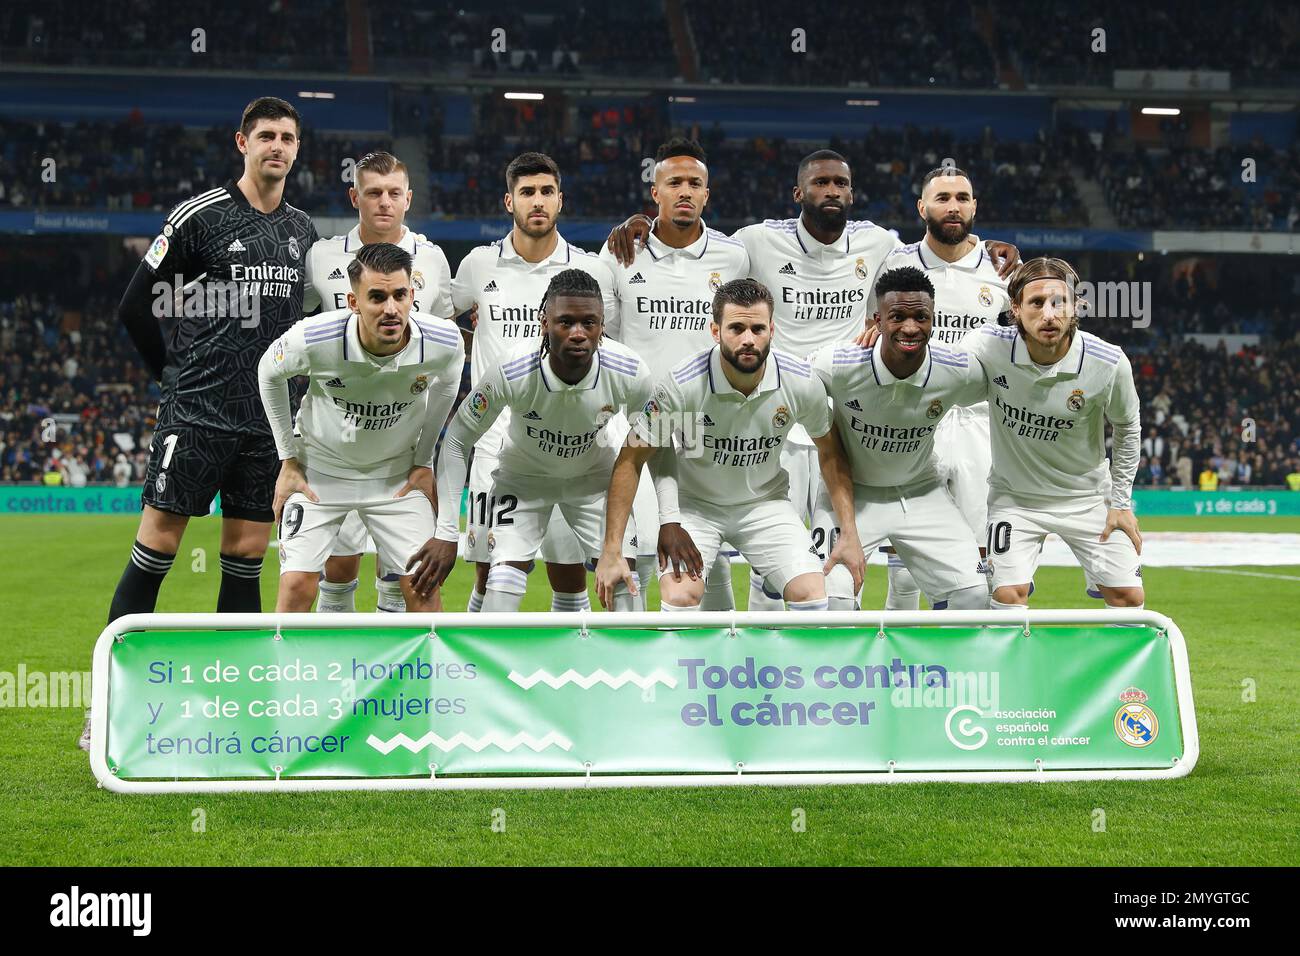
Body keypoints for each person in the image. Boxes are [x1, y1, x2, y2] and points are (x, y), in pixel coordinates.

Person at [607, 149, 1019, 611]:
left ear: (851, 193)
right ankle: (739, 653)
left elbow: (941, 248)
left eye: (839, 184)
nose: (831, 191)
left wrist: (986, 249)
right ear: (798, 193)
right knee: (736, 563)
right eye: (820, 183)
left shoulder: (879, 243)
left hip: (834, 419)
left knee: (809, 568)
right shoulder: (756, 242)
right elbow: (691, 238)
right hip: (765, 414)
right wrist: (643, 224)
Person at [90, 96, 318, 750]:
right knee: (157, 548)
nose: (277, 146)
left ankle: (236, 714)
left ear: (297, 148)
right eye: (266, 136)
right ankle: (107, 710)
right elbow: (136, 307)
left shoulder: (303, 231)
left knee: (245, 562)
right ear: (241, 142)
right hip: (195, 417)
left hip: (265, 428)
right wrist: (175, 378)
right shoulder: (201, 217)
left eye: (288, 137)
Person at [594, 278, 864, 613]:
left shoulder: (801, 381)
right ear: (715, 330)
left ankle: (782, 667)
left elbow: (831, 451)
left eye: (758, 329)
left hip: (765, 505)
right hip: (696, 508)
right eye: (736, 328)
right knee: (680, 597)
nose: (748, 340)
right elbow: (630, 458)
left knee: (812, 595)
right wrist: (616, 547)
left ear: (772, 330)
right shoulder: (682, 384)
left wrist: (849, 532)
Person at [408, 270, 651, 612]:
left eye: (589, 323)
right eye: (565, 322)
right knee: (502, 582)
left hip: (594, 482)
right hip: (522, 481)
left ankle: (630, 666)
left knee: (625, 581)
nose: (578, 334)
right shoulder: (513, 369)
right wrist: (448, 531)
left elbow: (654, 439)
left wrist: (668, 518)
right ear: (544, 324)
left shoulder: (630, 370)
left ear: (602, 326)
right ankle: (486, 666)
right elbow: (456, 441)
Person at [449, 153, 618, 614]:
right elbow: (440, 325)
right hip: (495, 441)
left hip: (569, 440)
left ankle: (571, 672)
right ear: (510, 201)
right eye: (527, 192)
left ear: (560, 200)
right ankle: (478, 672)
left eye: (546, 192)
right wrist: (474, 341)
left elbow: (609, 342)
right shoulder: (479, 266)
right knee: (488, 571)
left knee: (568, 571)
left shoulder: (588, 271)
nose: (537, 201)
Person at [258, 242, 462, 613]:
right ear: (354, 303)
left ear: (412, 295)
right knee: (296, 589)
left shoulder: (444, 342)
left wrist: (423, 460)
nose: (391, 308)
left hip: (395, 477)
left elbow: (448, 384)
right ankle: (292, 671)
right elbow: (267, 372)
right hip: (321, 473)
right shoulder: (314, 338)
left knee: (423, 591)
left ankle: (426, 672)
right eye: (377, 297)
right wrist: (287, 459)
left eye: (400, 295)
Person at [597, 137, 749, 611]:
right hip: (641, 421)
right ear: (655, 192)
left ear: (708, 193)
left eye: (695, 183)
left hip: (706, 425)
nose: (685, 191)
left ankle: (717, 645)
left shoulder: (733, 257)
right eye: (674, 182)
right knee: (643, 545)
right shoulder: (621, 253)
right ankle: (635, 655)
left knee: (707, 548)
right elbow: (607, 340)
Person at [302, 150, 456, 613]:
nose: (384, 202)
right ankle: (337, 670)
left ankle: (393, 677)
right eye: (373, 192)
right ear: (355, 197)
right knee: (339, 568)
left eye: (393, 193)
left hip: (403, 440)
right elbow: (298, 329)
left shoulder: (433, 259)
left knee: (401, 572)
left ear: (408, 198)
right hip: (336, 440)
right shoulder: (321, 256)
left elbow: (445, 346)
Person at [855, 166, 1013, 610]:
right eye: (942, 198)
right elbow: (871, 330)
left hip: (978, 422)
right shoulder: (895, 262)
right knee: (905, 552)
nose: (953, 206)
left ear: (975, 206)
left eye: (963, 197)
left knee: (974, 559)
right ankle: (896, 653)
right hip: (910, 415)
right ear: (922, 207)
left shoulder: (1002, 269)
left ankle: (962, 651)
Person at [962, 258, 1144, 610]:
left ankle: (1106, 667)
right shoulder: (987, 346)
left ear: (1076, 306)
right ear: (1015, 308)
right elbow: (934, 366)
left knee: (1129, 597)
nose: (1049, 314)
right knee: (1006, 596)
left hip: (1088, 498)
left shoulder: (1108, 362)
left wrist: (1121, 502)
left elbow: (1127, 427)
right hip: (1015, 499)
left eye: (1060, 302)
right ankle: (1014, 665)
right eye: (1036, 303)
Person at [809, 267, 989, 610]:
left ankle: (933, 666)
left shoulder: (957, 369)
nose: (910, 327)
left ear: (934, 319)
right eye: (897, 317)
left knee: (975, 596)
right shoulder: (836, 365)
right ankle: (852, 664)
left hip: (921, 491)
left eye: (921, 317)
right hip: (853, 495)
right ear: (877, 320)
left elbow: (1011, 387)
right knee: (827, 603)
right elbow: (786, 388)